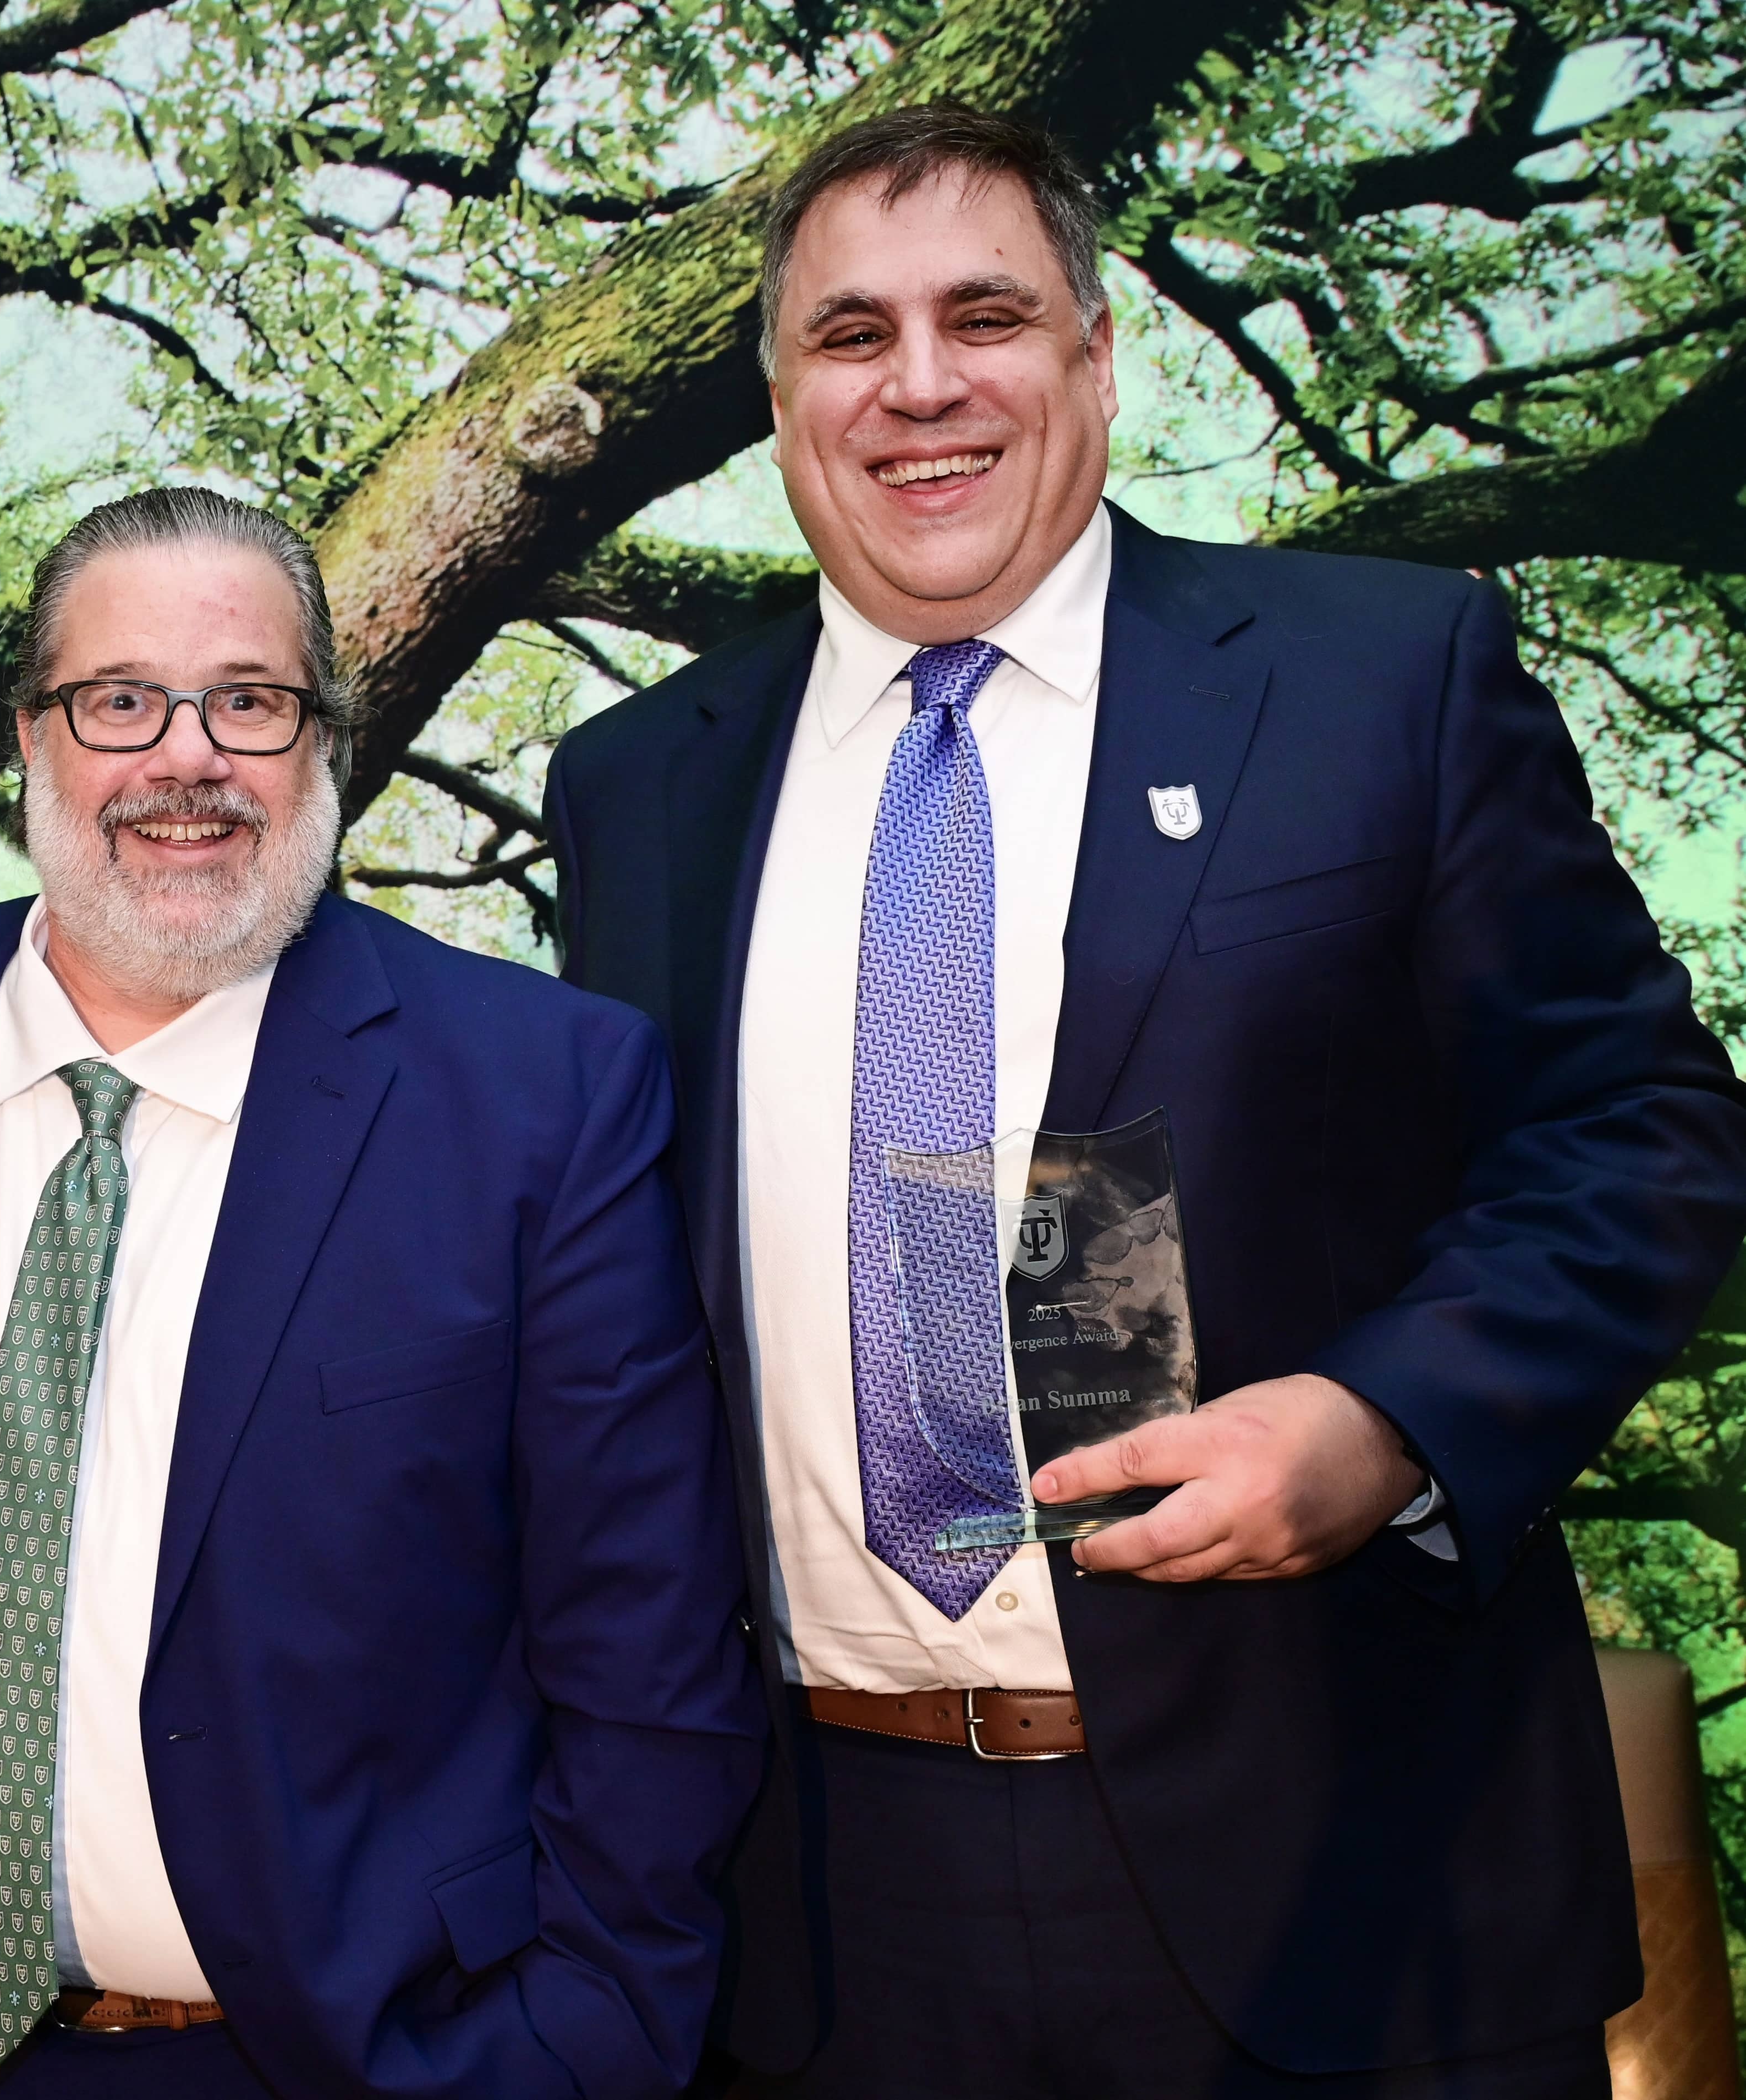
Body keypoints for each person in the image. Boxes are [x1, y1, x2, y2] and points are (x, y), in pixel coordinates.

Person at [546, 105, 1746, 2098]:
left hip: (1346, 1864)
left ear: (1095, 358)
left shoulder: (1383, 676)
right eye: (849, 335)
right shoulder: (641, 787)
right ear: (779, 403)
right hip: (825, 1906)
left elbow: (1639, 1125)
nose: (919, 385)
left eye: (984, 315)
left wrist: (1387, 1424)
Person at [0, 486, 762, 2098]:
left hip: (339, 2061)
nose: (185, 758)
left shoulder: (536, 1096)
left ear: (324, 742)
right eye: (119, 701)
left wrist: (571, 2049)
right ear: (31, 736)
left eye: (247, 701)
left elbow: (644, 1650)